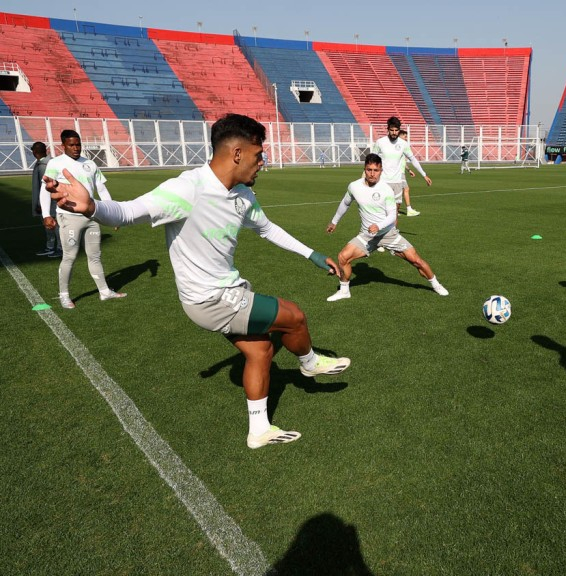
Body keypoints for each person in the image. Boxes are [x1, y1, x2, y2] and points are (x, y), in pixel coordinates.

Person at [46, 114, 350, 449]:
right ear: (237, 153)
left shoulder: (242, 196)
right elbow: (128, 212)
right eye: (258, 155)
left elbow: (267, 229)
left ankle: (259, 430)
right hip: (211, 299)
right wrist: (91, 208)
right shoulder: (187, 189)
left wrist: (312, 255)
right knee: (294, 316)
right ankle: (309, 364)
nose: (262, 162)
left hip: (225, 292)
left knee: (262, 350)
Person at [325, 153, 448, 301]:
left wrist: (379, 225)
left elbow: (392, 216)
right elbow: (345, 203)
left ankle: (436, 284)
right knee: (343, 257)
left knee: (416, 260)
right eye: (369, 170)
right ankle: (344, 291)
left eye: (376, 170)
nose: (372, 174)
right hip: (367, 235)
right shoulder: (354, 186)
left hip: (388, 234)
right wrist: (334, 221)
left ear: (381, 171)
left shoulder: (386, 189)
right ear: (364, 169)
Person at [40, 129, 126, 309]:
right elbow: (45, 190)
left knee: (95, 256)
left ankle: (104, 291)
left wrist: (112, 213)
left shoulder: (90, 163)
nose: (76, 148)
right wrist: (46, 214)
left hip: (92, 217)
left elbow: (101, 189)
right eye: (71, 145)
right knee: (69, 257)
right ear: (63, 146)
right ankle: (64, 295)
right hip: (69, 217)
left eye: (78, 144)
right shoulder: (56, 163)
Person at [372, 117, 430, 218]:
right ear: (388, 129)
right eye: (392, 130)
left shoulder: (403, 144)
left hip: (398, 181)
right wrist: (367, 176)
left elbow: (413, 159)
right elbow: (371, 160)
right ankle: (380, 231)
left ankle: (393, 232)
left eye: (396, 130)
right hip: (383, 181)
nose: (394, 132)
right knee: (382, 211)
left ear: (399, 130)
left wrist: (424, 175)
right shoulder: (380, 142)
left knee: (395, 211)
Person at [30, 142, 60, 258]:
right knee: (52, 227)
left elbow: (46, 187)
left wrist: (40, 204)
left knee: (53, 226)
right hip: (51, 202)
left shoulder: (43, 165)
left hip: (50, 203)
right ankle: (52, 247)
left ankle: (56, 248)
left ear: (34, 152)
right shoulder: (46, 163)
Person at [397, 129, 419, 216]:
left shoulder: (401, 147)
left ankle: (396, 211)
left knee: (399, 191)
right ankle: (409, 209)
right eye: (405, 136)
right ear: (400, 136)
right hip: (398, 173)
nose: (406, 138)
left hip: (401, 172)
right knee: (405, 189)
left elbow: (403, 162)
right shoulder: (398, 147)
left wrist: (409, 170)